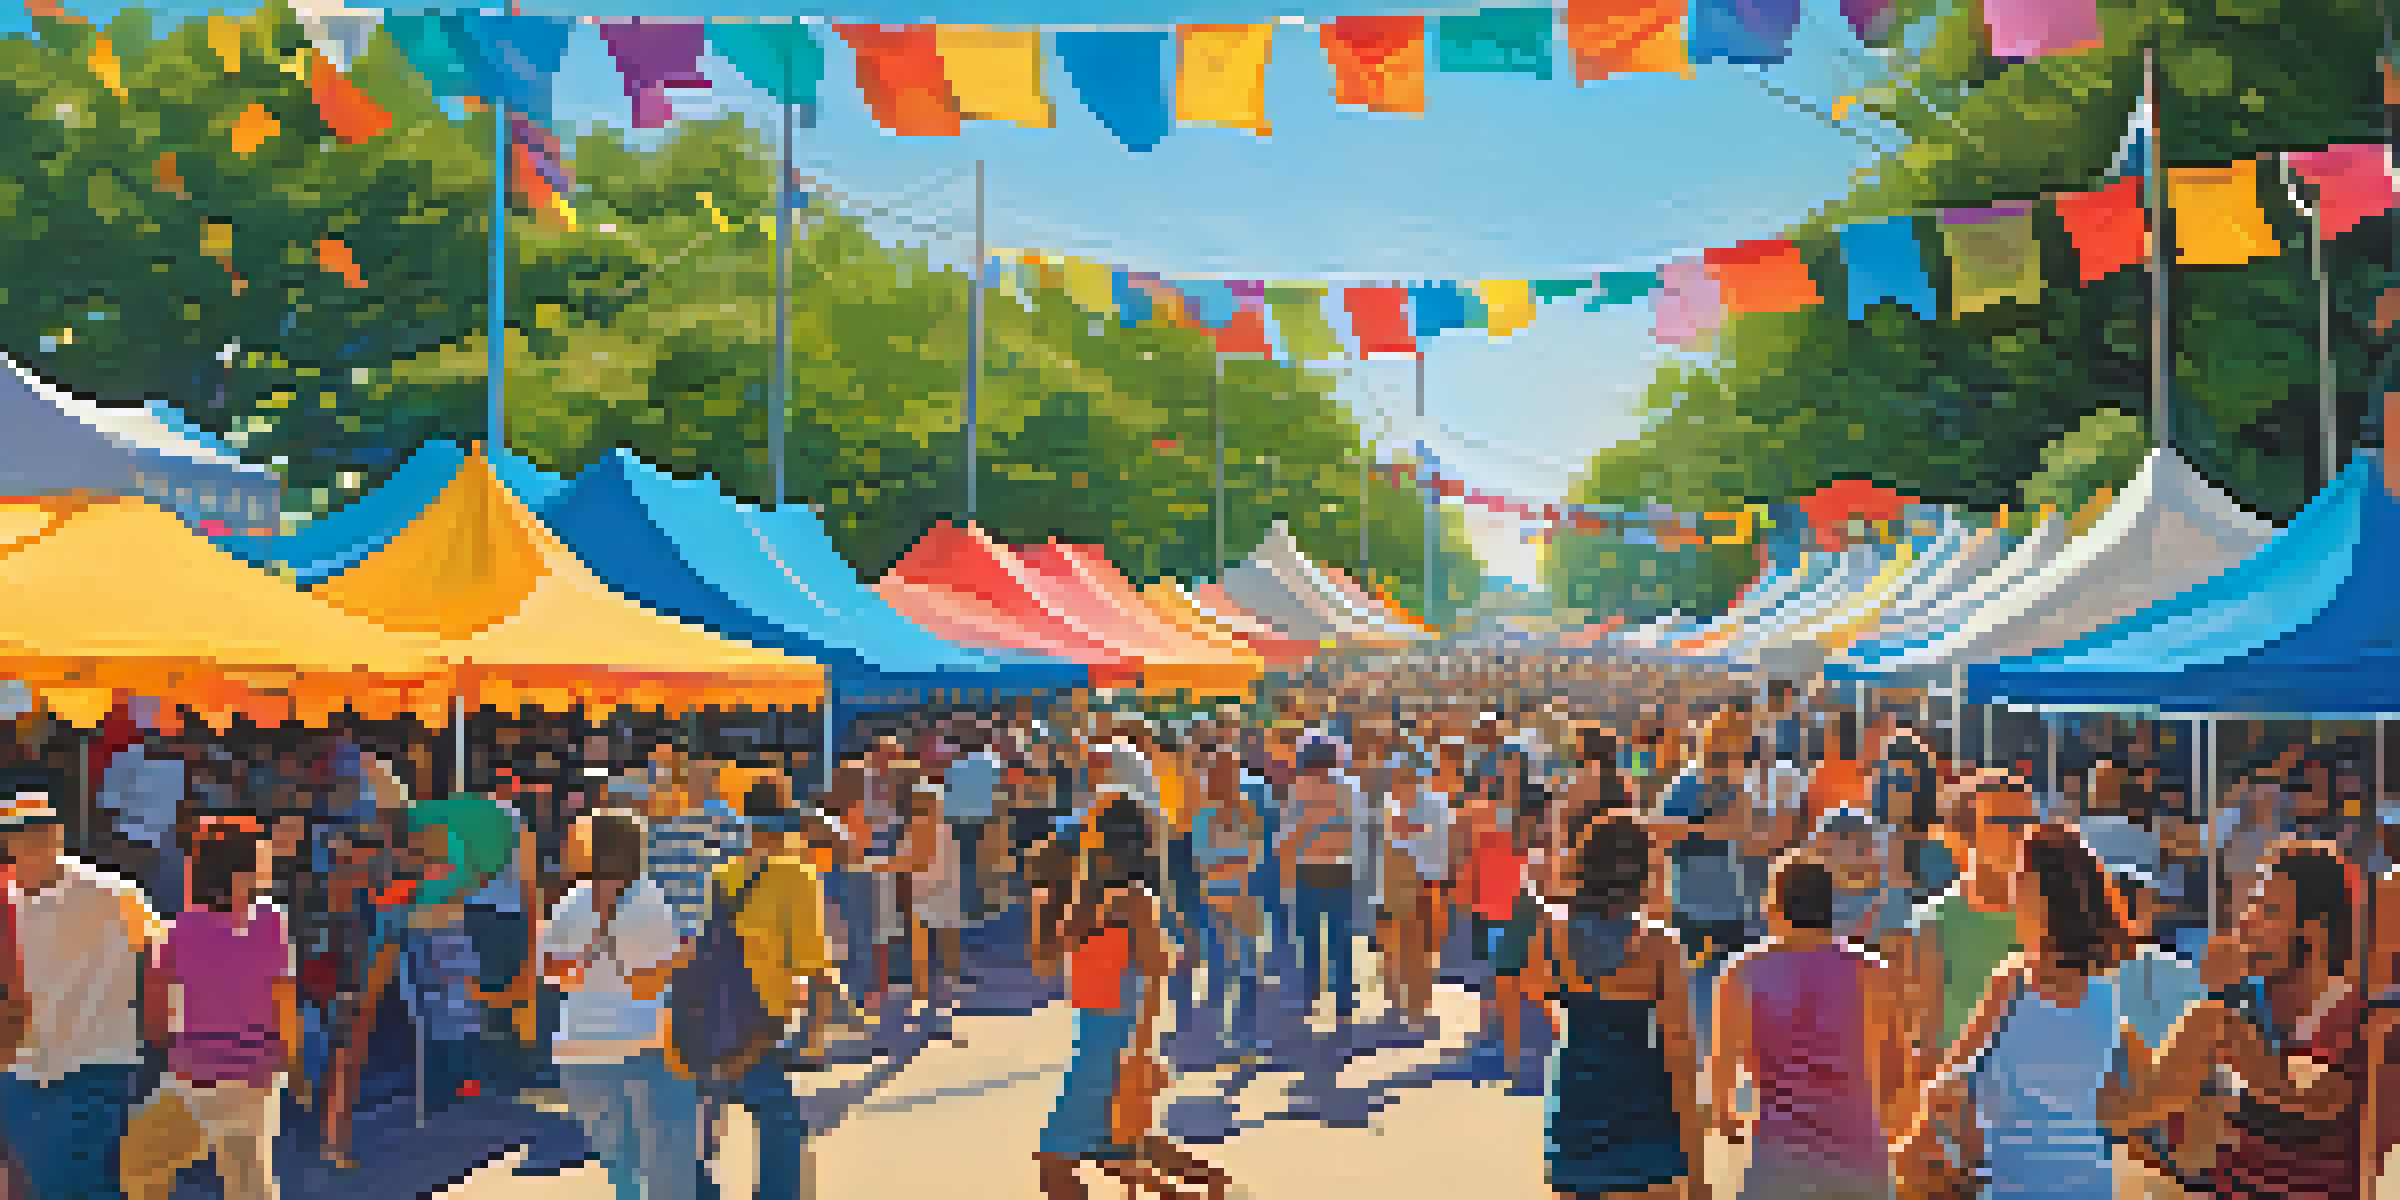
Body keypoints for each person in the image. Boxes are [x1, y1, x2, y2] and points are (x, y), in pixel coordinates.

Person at [2106, 841, 2366, 1199]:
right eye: (2251, 907)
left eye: (2268, 911)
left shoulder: (2350, 1018)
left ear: (2314, 933)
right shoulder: (2254, 1007)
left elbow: (2311, 1095)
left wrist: (2221, 1016)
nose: (2245, 923)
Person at [1901, 824, 2136, 1199]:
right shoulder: (2108, 989)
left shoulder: (2015, 981)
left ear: (2040, 896)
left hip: (2016, 1184)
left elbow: (1950, 1082)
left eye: (2019, 879)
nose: (2012, 892)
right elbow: (2119, 1097)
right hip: (2090, 1184)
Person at [0, 777, 165, 1200]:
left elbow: (162, 952)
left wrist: (160, 1028)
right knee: (40, 1181)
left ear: (56, 835)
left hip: (95, 1062)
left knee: (74, 1181)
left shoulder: (110, 891)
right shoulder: (8, 899)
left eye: (38, 834)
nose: (29, 845)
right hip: (24, 1068)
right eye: (18, 836)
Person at [1526, 814, 1706, 1200]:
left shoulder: (1553, 932)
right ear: (1643, 872)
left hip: (1577, 1100)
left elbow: (1539, 995)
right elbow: (1680, 1052)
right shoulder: (1659, 945)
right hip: (1645, 1107)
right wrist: (1696, 1169)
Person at [120, 818, 298, 1200]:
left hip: (195, 1082)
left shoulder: (176, 932)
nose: (267, 869)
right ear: (239, 874)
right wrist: (286, 1064)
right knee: (250, 1183)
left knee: (137, 1164)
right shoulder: (273, 921)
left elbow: (154, 1023)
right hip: (257, 1079)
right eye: (260, 861)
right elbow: (284, 1001)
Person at [1712, 854, 1904, 1200]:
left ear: (1774, 907)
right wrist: (1891, 1131)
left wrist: (1729, 1122)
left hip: (1778, 1163)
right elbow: (1896, 1069)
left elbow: (1723, 1071)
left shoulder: (1742, 973)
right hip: (1858, 1159)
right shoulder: (1871, 971)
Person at [540, 809, 699, 1200]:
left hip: (580, 1049)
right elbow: (647, 985)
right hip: (642, 1044)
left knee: (620, 1164)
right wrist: (683, 956)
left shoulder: (571, 901)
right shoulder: (649, 900)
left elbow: (552, 974)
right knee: (666, 1162)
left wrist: (590, 961)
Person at [698, 776, 836, 1200]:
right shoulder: (798, 877)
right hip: (764, 1021)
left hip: (713, 1018)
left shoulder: (720, 876)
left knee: (703, 1120)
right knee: (781, 1120)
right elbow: (814, 967)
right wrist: (815, 1036)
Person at [1279, 739, 1369, 1027]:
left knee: (1337, 941)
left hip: (1335, 872)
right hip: (1311, 872)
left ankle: (1339, 1001)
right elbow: (1287, 838)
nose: (1319, 772)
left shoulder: (1345, 790)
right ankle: (1312, 997)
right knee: (1312, 941)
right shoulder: (1301, 790)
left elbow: (1354, 833)